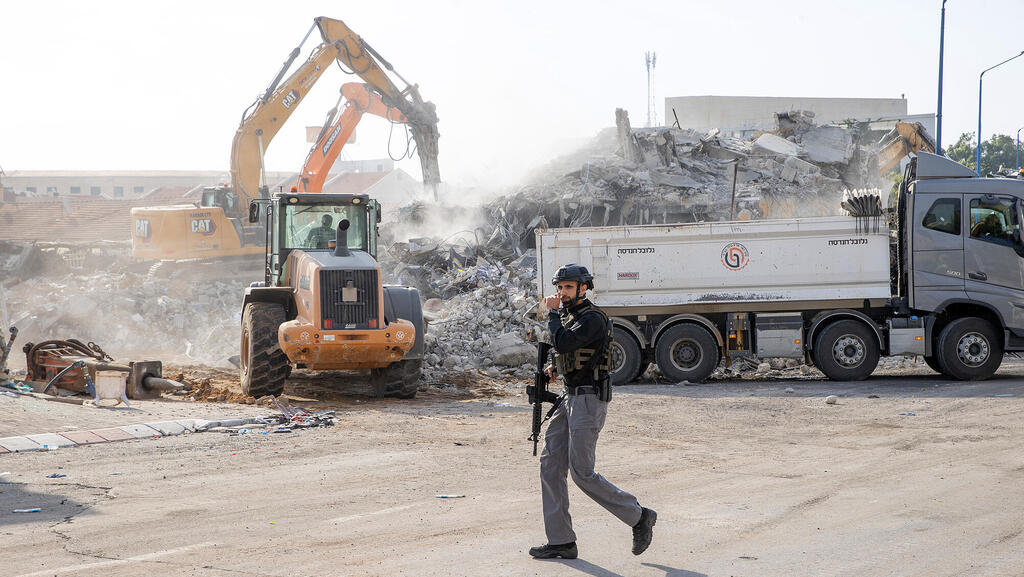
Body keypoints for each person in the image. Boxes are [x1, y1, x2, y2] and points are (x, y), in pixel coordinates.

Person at [529, 263, 656, 560]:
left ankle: (639, 517)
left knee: (582, 473)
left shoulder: (593, 318)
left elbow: (563, 341)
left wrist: (551, 314)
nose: (562, 293)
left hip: (588, 400)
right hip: (570, 397)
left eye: (568, 287)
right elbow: (574, 354)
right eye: (559, 287)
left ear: (583, 288)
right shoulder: (571, 317)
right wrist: (554, 368)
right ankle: (561, 541)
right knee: (550, 465)